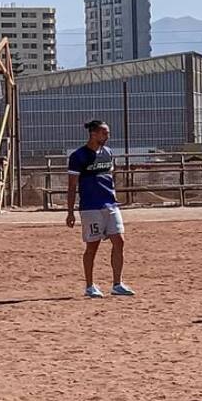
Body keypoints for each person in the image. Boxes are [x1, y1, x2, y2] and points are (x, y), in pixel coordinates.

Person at [65, 120, 135, 298]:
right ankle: (90, 286)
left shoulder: (108, 153)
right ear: (93, 134)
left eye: (107, 133)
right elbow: (72, 186)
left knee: (119, 241)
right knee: (92, 246)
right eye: (104, 133)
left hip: (110, 204)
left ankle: (117, 284)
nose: (107, 136)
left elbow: (109, 177)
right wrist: (70, 212)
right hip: (91, 207)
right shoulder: (78, 156)